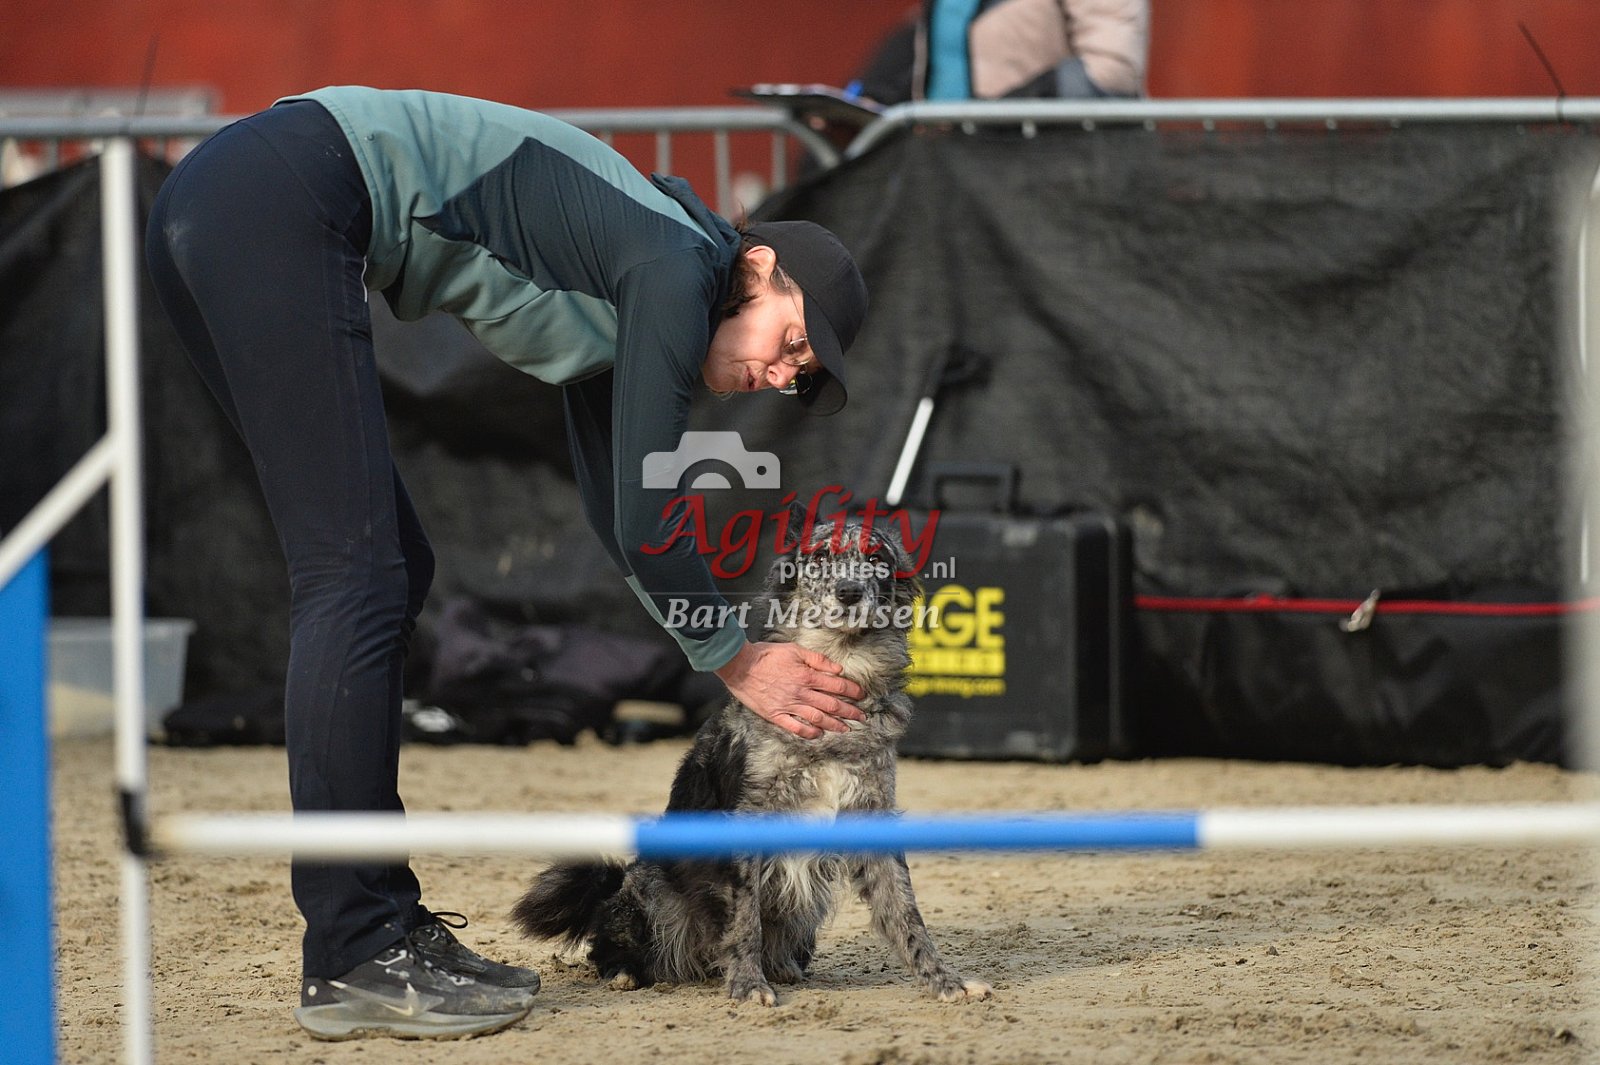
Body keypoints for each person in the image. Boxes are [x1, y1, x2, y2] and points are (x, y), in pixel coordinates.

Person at [144, 85, 871, 1041]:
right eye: (793, 341)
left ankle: (375, 924)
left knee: (387, 565)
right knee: (357, 573)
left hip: (234, 196)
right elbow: (650, 516)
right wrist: (738, 656)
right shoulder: (676, 264)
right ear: (763, 266)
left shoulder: (645, 278)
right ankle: (358, 948)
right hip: (279, 193)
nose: (781, 374)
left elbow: (619, 512)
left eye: (798, 376)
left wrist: (721, 646)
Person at [856, 0, 1149, 106]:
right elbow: (950, 65)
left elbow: (1113, 70)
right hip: (949, 172)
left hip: (1053, 177)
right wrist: (882, 108)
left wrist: (997, 116)